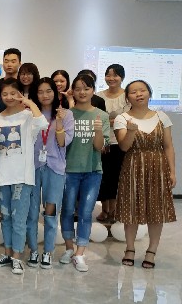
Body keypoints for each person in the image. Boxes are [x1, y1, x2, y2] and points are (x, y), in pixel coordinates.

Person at [115, 80, 176, 269]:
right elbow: (124, 147)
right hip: (133, 167)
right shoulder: (122, 118)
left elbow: (168, 146)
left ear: (149, 93)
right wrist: (131, 131)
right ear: (127, 97)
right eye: (133, 92)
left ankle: (152, 250)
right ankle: (130, 248)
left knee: (156, 211)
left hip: (158, 167)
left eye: (142, 90)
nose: (138, 94)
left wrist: (172, 172)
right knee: (131, 209)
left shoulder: (162, 116)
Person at [0, 79, 47, 275]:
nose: (9, 97)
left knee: (19, 218)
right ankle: (7, 254)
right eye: (5, 94)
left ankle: (17, 256)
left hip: (22, 177)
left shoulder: (28, 116)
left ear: (21, 94)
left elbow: (43, 124)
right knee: (5, 217)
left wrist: (29, 103)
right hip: (2, 175)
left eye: (14, 93)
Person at [60, 74, 110, 272]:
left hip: (92, 171)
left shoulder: (101, 116)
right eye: (78, 88)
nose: (82, 92)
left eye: (86, 88)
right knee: (67, 210)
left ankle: (80, 253)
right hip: (69, 170)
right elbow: (61, 143)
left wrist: (97, 131)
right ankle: (68, 248)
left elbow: (99, 147)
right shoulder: (67, 114)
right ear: (72, 91)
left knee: (86, 212)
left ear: (93, 91)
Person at [28, 78, 73, 268]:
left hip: (55, 169)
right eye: (40, 92)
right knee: (31, 213)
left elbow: (63, 143)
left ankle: (47, 251)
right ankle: (32, 250)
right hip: (32, 169)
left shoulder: (66, 114)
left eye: (48, 91)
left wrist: (60, 122)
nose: (44, 95)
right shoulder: (30, 114)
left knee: (51, 212)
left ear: (55, 92)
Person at [96, 64, 129, 223]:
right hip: (101, 141)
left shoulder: (127, 96)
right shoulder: (98, 96)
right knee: (104, 177)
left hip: (120, 142)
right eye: (108, 75)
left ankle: (114, 210)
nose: (111, 78)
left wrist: (108, 121)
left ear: (122, 77)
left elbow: (128, 119)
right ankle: (104, 210)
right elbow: (95, 118)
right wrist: (115, 121)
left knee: (117, 177)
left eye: (115, 75)